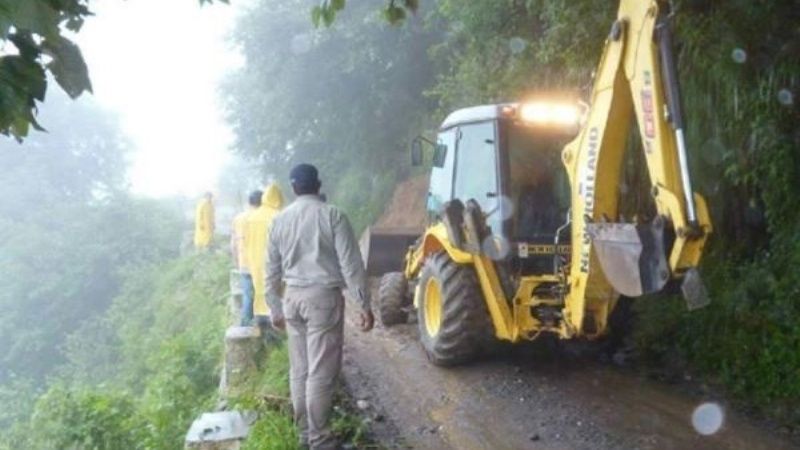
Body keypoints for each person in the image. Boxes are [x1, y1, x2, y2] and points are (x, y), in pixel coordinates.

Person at [266, 163, 374, 450]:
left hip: (292, 299)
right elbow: (351, 264)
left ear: (293, 188)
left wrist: (274, 307)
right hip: (322, 299)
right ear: (319, 184)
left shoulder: (279, 221)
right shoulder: (333, 216)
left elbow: (271, 270)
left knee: (299, 370)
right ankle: (320, 439)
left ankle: (304, 435)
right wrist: (363, 303)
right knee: (321, 372)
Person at [245, 183, 284, 324]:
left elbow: (246, 240)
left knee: (258, 286)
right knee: (275, 288)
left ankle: (260, 318)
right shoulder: (279, 216)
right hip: (274, 259)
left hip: (254, 258)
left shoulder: (251, 217)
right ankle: (277, 319)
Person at [232, 190, 262, 326]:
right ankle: (266, 325)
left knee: (248, 295)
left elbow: (234, 243)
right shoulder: (263, 218)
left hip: (244, 262)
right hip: (261, 262)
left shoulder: (238, 219)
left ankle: (245, 323)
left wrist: (236, 260)